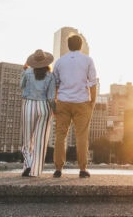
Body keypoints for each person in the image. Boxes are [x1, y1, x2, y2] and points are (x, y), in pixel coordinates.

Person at [52, 34, 97, 178]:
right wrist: (92, 102)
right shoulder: (88, 60)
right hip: (82, 102)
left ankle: (58, 168)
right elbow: (93, 82)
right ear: (81, 45)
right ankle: (83, 169)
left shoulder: (59, 62)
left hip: (63, 101)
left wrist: (55, 101)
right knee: (82, 136)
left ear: (68, 45)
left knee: (60, 135)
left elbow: (55, 84)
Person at [20, 49, 56, 177]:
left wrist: (24, 70)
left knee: (27, 139)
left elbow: (21, 86)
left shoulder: (28, 72)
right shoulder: (51, 76)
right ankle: (34, 171)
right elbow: (51, 97)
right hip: (44, 106)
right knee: (40, 141)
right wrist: (55, 111)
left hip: (29, 105)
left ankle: (28, 163)